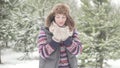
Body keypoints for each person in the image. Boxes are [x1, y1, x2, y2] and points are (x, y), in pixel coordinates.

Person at [37, 3, 82, 68]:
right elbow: (42, 53)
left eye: (63, 17)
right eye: (58, 17)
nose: (61, 20)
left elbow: (78, 50)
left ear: (67, 18)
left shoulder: (71, 30)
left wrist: (67, 40)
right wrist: (55, 40)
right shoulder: (45, 31)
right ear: (53, 17)